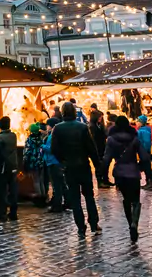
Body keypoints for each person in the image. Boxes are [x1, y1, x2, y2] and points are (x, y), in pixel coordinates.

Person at [51, 101, 102, 236]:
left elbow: (54, 149)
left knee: (75, 198)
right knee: (89, 196)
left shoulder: (58, 128)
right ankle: (93, 223)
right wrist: (97, 165)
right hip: (83, 166)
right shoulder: (82, 127)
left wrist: (63, 161)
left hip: (69, 167)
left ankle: (80, 227)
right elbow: (91, 148)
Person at [103, 115, 145, 242]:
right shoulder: (135, 139)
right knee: (136, 201)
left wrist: (103, 174)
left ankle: (130, 224)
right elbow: (145, 157)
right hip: (133, 171)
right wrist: (141, 167)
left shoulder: (111, 140)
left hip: (120, 173)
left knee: (126, 200)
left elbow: (106, 159)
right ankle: (134, 224)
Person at [0, 116, 20, 220]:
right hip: (13, 165)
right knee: (13, 189)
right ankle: (13, 212)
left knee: (2, 190)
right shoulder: (13, 135)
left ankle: (2, 212)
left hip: (3, 167)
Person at [23, 123, 48, 208]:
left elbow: (27, 152)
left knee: (36, 181)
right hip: (41, 161)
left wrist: (25, 162)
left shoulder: (30, 139)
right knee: (41, 180)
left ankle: (39, 198)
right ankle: (44, 196)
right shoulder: (42, 138)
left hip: (33, 162)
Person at [43, 118, 66, 213]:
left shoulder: (53, 136)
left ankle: (57, 205)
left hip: (54, 162)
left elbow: (50, 148)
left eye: (48, 125)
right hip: (54, 161)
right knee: (60, 184)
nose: (46, 126)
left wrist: (42, 146)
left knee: (56, 185)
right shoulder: (52, 135)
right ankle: (65, 202)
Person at [88, 105, 113, 188]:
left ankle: (105, 179)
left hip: (102, 147)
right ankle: (100, 181)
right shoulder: (92, 127)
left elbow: (104, 134)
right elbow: (94, 139)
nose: (100, 119)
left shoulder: (99, 125)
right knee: (98, 166)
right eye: (99, 117)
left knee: (104, 164)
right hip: (97, 148)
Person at [136, 115, 152, 190]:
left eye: (138, 122)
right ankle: (149, 182)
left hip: (144, 152)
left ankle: (151, 183)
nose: (136, 123)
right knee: (146, 167)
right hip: (143, 152)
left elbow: (146, 142)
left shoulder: (143, 131)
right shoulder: (143, 130)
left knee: (147, 167)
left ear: (141, 123)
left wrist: (143, 150)